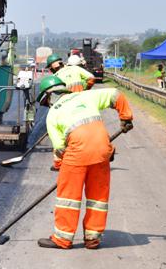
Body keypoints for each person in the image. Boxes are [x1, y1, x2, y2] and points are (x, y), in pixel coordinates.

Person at [36, 75, 134, 250]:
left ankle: (62, 239)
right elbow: (116, 95)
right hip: (103, 149)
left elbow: (59, 148)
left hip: (77, 153)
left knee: (68, 198)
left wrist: (60, 167)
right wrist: (125, 118)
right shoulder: (85, 96)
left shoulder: (53, 114)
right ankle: (92, 238)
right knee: (98, 197)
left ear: (48, 97)